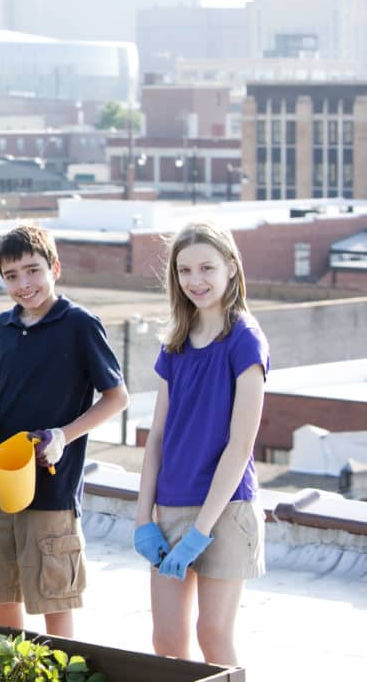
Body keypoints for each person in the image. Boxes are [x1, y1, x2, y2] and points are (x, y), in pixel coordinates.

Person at [0, 225, 128, 638]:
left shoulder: (80, 324)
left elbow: (116, 397)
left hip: (52, 487)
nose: (24, 283)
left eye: (32, 270)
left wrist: (63, 436)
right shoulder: (0, 327)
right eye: (11, 276)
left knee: (55, 598)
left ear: (55, 268)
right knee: (2, 595)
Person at [134, 221, 268, 666]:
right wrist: (142, 519)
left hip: (225, 511)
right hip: (171, 507)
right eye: (185, 270)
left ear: (231, 268)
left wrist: (201, 531)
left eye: (207, 267)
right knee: (167, 644)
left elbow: (240, 446)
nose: (196, 280)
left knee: (213, 638)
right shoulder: (174, 344)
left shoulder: (245, 340)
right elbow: (157, 437)